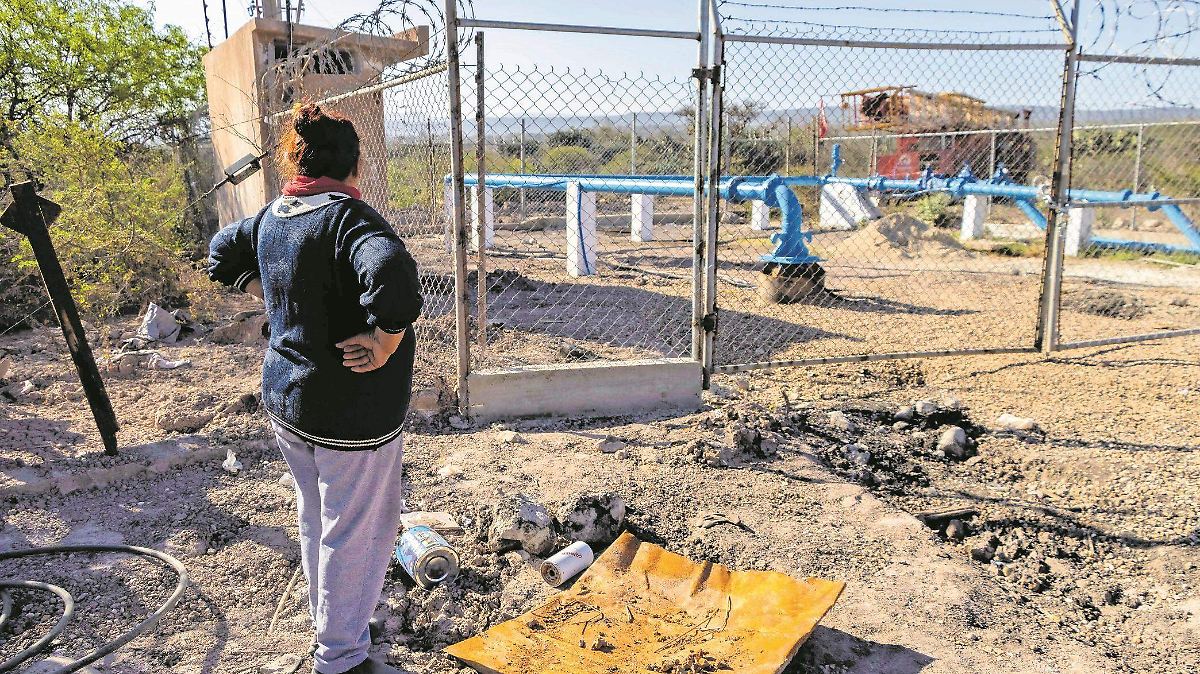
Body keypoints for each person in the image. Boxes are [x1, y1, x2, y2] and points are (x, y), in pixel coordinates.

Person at [208, 102, 423, 674]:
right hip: (349, 414)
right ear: (356, 168)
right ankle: (341, 658)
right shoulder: (351, 222)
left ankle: (336, 623)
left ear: (296, 163)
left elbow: (219, 251)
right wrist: (384, 340)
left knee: (319, 518)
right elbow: (396, 281)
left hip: (288, 402)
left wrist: (266, 289)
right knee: (355, 531)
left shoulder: (276, 215)